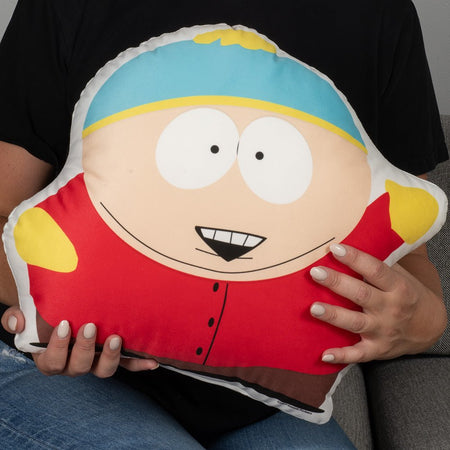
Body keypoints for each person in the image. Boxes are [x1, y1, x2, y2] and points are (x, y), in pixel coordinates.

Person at [0, 0, 447, 448]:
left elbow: (410, 258)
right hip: (61, 373)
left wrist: (423, 322)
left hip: (258, 397)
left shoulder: (378, 15)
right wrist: (65, 309)